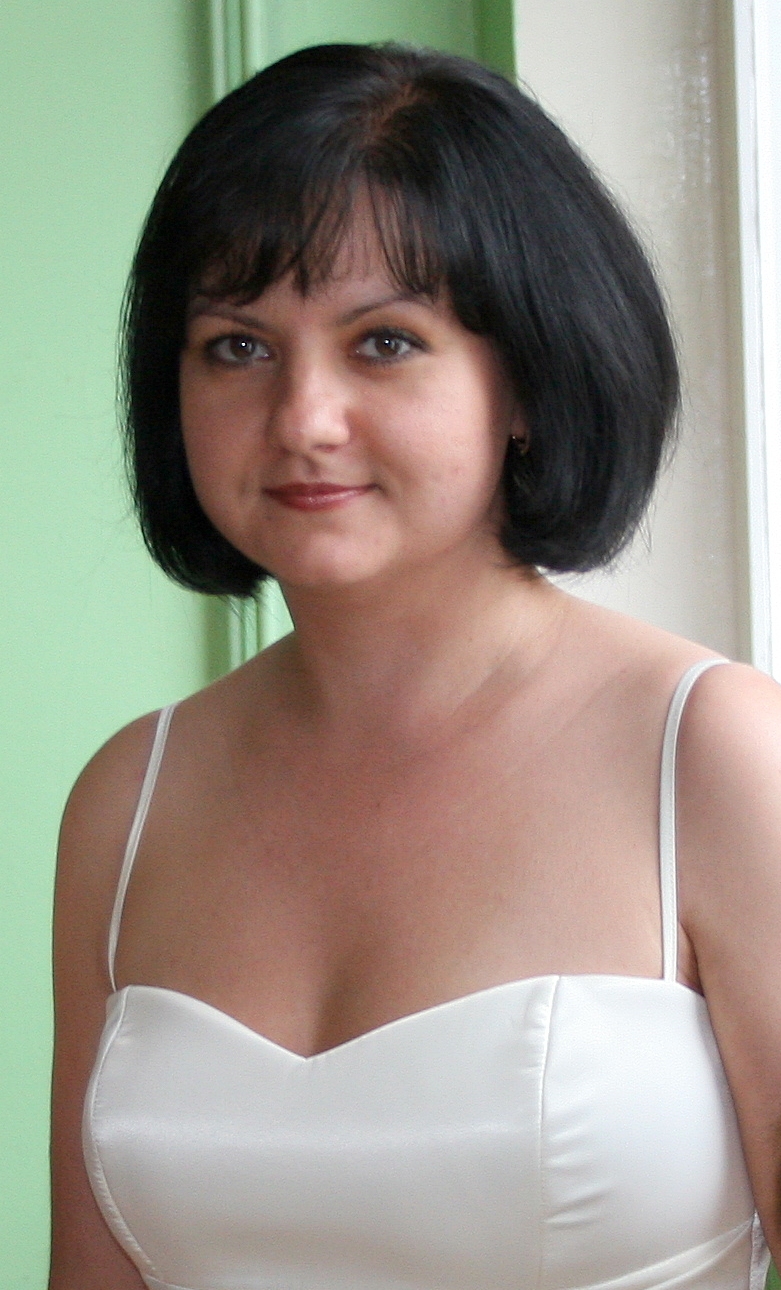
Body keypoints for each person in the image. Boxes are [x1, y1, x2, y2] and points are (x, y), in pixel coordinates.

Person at [49, 41, 781, 1290]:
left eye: (383, 342)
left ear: (528, 380)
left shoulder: (716, 757)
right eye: (236, 346)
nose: (302, 419)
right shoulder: (129, 799)